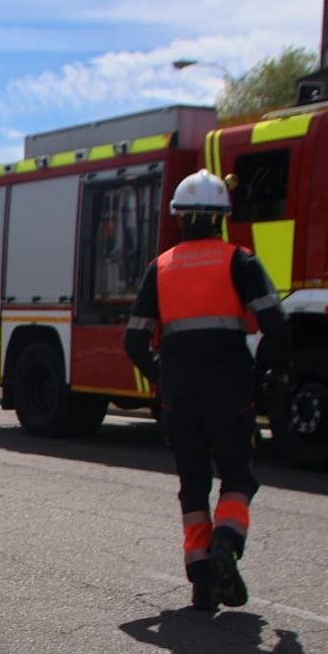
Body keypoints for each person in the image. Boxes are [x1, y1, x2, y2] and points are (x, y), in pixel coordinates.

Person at [124, 170, 291, 614]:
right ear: (222, 219)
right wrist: (265, 376)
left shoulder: (159, 268)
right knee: (238, 478)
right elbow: (277, 328)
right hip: (231, 387)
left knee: (193, 486)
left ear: (180, 218)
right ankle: (225, 545)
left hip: (181, 392)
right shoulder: (242, 262)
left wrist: (161, 379)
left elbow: (133, 342)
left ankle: (202, 584)